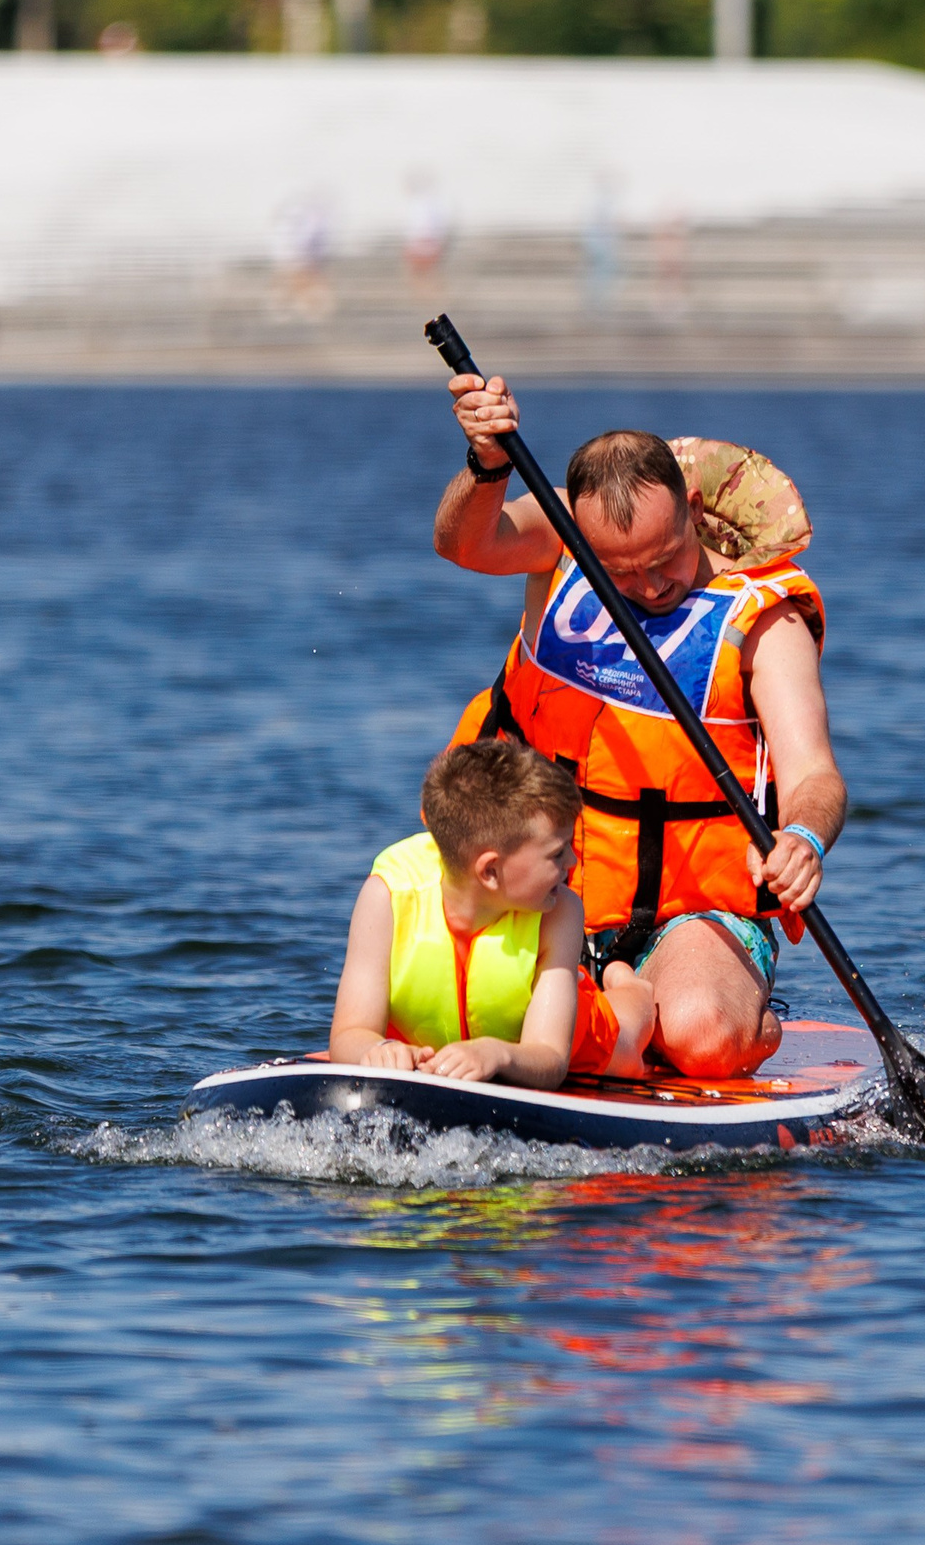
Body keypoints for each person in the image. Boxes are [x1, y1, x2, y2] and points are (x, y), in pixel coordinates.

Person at [434, 377, 844, 1080]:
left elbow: (814, 775)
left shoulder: (764, 619)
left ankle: (739, 1021)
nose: (651, 588)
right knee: (433, 1001)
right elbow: (464, 544)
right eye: (622, 574)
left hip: (690, 916)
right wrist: (485, 465)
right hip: (539, 889)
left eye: (665, 560)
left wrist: (803, 837)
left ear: (691, 507)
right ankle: (615, 1018)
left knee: (701, 1036)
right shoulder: (562, 540)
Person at [329, 739, 653, 1087]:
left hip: (557, 1038)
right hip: (440, 1046)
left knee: (627, 1044)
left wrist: (497, 1054)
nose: (572, 863)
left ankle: (629, 983)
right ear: (490, 871)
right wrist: (379, 1049)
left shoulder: (560, 913)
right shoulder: (386, 898)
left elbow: (551, 1059)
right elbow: (348, 1034)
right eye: (557, 853)